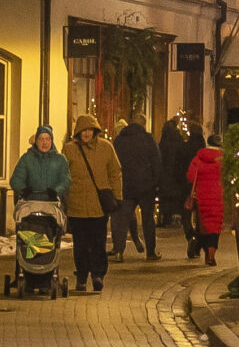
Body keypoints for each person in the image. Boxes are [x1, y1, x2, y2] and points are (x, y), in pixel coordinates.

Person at [63, 114, 123, 294]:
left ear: (95, 131)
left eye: (89, 130)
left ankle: (98, 275)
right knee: (80, 244)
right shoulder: (69, 149)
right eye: (83, 130)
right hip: (77, 205)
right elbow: (63, 174)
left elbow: (115, 173)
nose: (86, 133)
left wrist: (117, 196)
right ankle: (81, 277)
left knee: (98, 243)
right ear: (78, 132)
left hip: (99, 206)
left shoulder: (106, 148)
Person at [113, 114, 161, 259]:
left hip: (126, 185)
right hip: (146, 186)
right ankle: (150, 252)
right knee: (147, 219)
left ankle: (119, 251)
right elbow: (156, 162)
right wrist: (156, 183)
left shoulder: (120, 140)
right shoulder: (148, 139)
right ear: (144, 125)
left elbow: (114, 162)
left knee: (122, 219)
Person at [185, 129, 226, 266]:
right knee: (215, 226)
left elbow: (190, 176)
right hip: (218, 197)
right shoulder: (223, 159)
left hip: (201, 197)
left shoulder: (199, 157)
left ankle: (202, 249)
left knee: (203, 226)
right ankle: (211, 254)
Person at [10, 124, 69, 205]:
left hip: (54, 204)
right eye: (41, 139)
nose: (44, 142)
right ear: (36, 141)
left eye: (47, 139)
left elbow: (65, 180)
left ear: (51, 141)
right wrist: (23, 190)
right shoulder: (27, 158)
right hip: (30, 205)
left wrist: (56, 191)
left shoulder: (60, 160)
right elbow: (16, 180)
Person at [157, 115, 195, 228]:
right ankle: (178, 217)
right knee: (176, 196)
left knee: (165, 197)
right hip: (176, 175)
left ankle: (166, 218)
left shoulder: (162, 143)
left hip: (165, 174)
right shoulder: (179, 141)